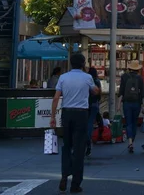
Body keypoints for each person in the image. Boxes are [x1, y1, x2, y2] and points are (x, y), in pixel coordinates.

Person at [50, 53, 100, 193]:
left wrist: (53, 117)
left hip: (67, 113)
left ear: (70, 63)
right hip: (81, 113)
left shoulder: (63, 77)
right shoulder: (87, 77)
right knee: (79, 148)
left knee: (66, 145)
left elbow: (56, 98)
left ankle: (65, 174)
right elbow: (95, 91)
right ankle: (75, 183)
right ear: (83, 64)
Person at [119, 60, 144, 153]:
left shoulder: (124, 77)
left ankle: (129, 141)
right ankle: (132, 140)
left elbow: (121, 92)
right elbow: (142, 93)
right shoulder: (140, 78)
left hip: (126, 103)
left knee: (128, 122)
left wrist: (118, 105)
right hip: (136, 103)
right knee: (134, 122)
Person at [86, 67, 102, 157]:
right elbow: (99, 92)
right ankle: (88, 139)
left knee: (85, 122)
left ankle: (86, 141)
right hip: (94, 104)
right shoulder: (96, 80)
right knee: (90, 123)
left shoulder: (87, 80)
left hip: (85, 104)